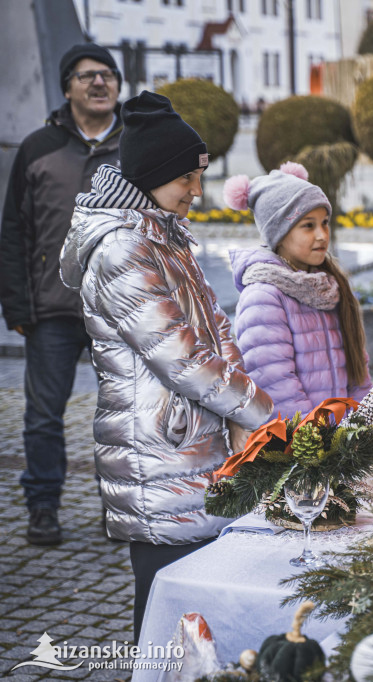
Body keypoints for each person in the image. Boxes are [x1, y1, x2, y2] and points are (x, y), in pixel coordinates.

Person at [59, 91, 273, 640]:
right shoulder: (122, 250)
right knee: (162, 609)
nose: (196, 192)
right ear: (152, 175)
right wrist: (262, 413)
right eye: (187, 178)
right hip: (160, 452)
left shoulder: (164, 236)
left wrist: (244, 413)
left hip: (196, 445)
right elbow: (181, 358)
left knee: (193, 604)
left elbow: (216, 330)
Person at [0, 43, 124, 545]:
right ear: (67, 87)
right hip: (51, 311)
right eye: (88, 75)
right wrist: (17, 306)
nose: (100, 83)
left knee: (120, 415)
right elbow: (14, 232)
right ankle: (44, 507)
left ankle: (117, 506)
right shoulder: (37, 148)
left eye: (109, 75)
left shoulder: (137, 145)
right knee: (44, 417)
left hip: (120, 311)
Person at [225, 164, 371, 417]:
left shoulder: (328, 287)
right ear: (279, 234)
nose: (322, 235)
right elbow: (275, 385)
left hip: (343, 444)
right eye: (308, 225)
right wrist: (318, 441)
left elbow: (358, 370)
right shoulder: (264, 297)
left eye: (325, 223)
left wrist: (361, 425)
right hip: (303, 447)